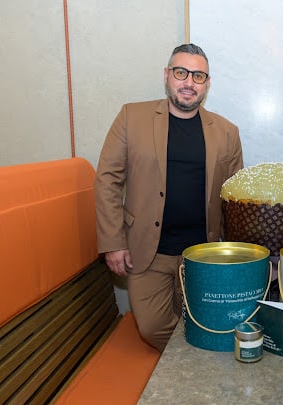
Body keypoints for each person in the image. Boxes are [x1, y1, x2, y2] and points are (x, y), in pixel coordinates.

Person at [94, 43, 243, 352]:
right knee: (151, 328)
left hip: (202, 256)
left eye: (198, 76)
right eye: (181, 73)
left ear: (207, 83)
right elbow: (108, 179)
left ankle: (193, 370)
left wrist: (236, 255)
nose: (189, 82)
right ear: (167, 75)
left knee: (209, 324)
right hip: (148, 253)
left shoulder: (227, 132)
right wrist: (113, 242)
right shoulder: (131, 116)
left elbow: (235, 198)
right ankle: (196, 363)